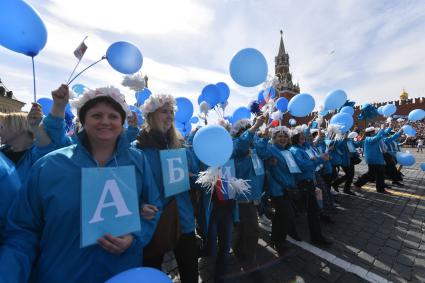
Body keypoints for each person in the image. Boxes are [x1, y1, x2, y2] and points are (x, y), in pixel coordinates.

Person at [0, 85, 161, 283]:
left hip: (121, 273)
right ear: (83, 119)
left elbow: (153, 205)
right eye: (96, 115)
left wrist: (135, 238)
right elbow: (23, 229)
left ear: (122, 122)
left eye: (113, 116)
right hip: (61, 274)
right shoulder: (49, 165)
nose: (105, 122)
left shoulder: (139, 160)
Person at [136, 93, 199, 283]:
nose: (170, 116)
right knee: (151, 274)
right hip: (154, 223)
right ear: (151, 114)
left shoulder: (178, 146)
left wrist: (198, 178)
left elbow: (191, 177)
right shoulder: (138, 148)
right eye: (164, 111)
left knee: (190, 274)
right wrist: (139, 206)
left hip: (185, 221)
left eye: (171, 112)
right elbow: (129, 187)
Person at [257, 126, 301, 254]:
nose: (283, 138)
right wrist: (264, 138)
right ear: (274, 138)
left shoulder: (287, 151)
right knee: (287, 215)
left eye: (285, 136)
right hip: (277, 189)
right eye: (279, 136)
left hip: (288, 187)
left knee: (280, 216)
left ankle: (276, 239)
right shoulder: (271, 150)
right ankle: (279, 241)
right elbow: (261, 152)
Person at [231, 116, 266, 267]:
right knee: (252, 231)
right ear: (239, 133)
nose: (251, 133)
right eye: (245, 131)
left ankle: (238, 250)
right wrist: (254, 127)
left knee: (243, 228)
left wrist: (264, 138)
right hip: (243, 197)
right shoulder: (235, 146)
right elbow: (241, 145)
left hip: (254, 194)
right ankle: (249, 264)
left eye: (251, 130)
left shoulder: (253, 147)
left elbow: (266, 153)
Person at [289, 127, 332, 246]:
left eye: (304, 135)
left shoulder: (304, 147)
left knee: (309, 211)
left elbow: (311, 147)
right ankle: (316, 237)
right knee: (311, 212)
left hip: (309, 182)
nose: (304, 136)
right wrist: (319, 159)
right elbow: (304, 166)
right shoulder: (295, 150)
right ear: (295, 137)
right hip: (303, 184)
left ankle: (315, 236)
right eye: (300, 135)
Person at [353, 125, 392, 194]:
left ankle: (380, 189)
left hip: (377, 159)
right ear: (370, 133)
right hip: (373, 160)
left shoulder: (373, 137)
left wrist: (389, 127)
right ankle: (357, 184)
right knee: (371, 174)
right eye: (374, 132)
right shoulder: (368, 139)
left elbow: (382, 134)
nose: (375, 133)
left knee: (379, 173)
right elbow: (377, 137)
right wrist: (382, 129)